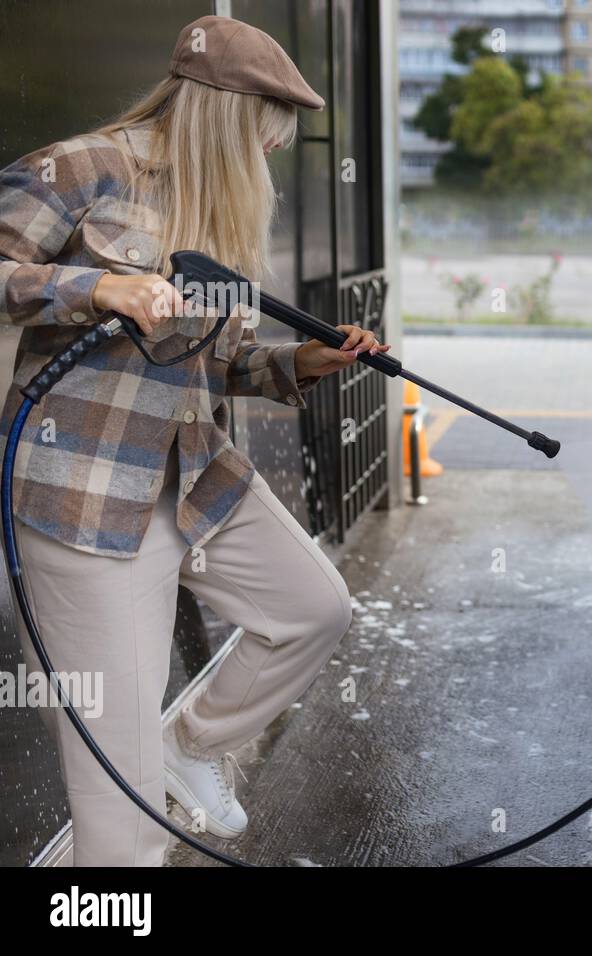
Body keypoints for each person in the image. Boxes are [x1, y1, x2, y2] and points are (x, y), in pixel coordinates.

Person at [0, 15, 388, 865]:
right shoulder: (78, 169)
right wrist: (98, 287)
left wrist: (305, 360)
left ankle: (195, 745)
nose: (274, 155)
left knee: (312, 610)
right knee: (124, 811)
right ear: (227, 115)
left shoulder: (217, 209)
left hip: (195, 475)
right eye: (267, 134)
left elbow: (221, 362)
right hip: (85, 498)